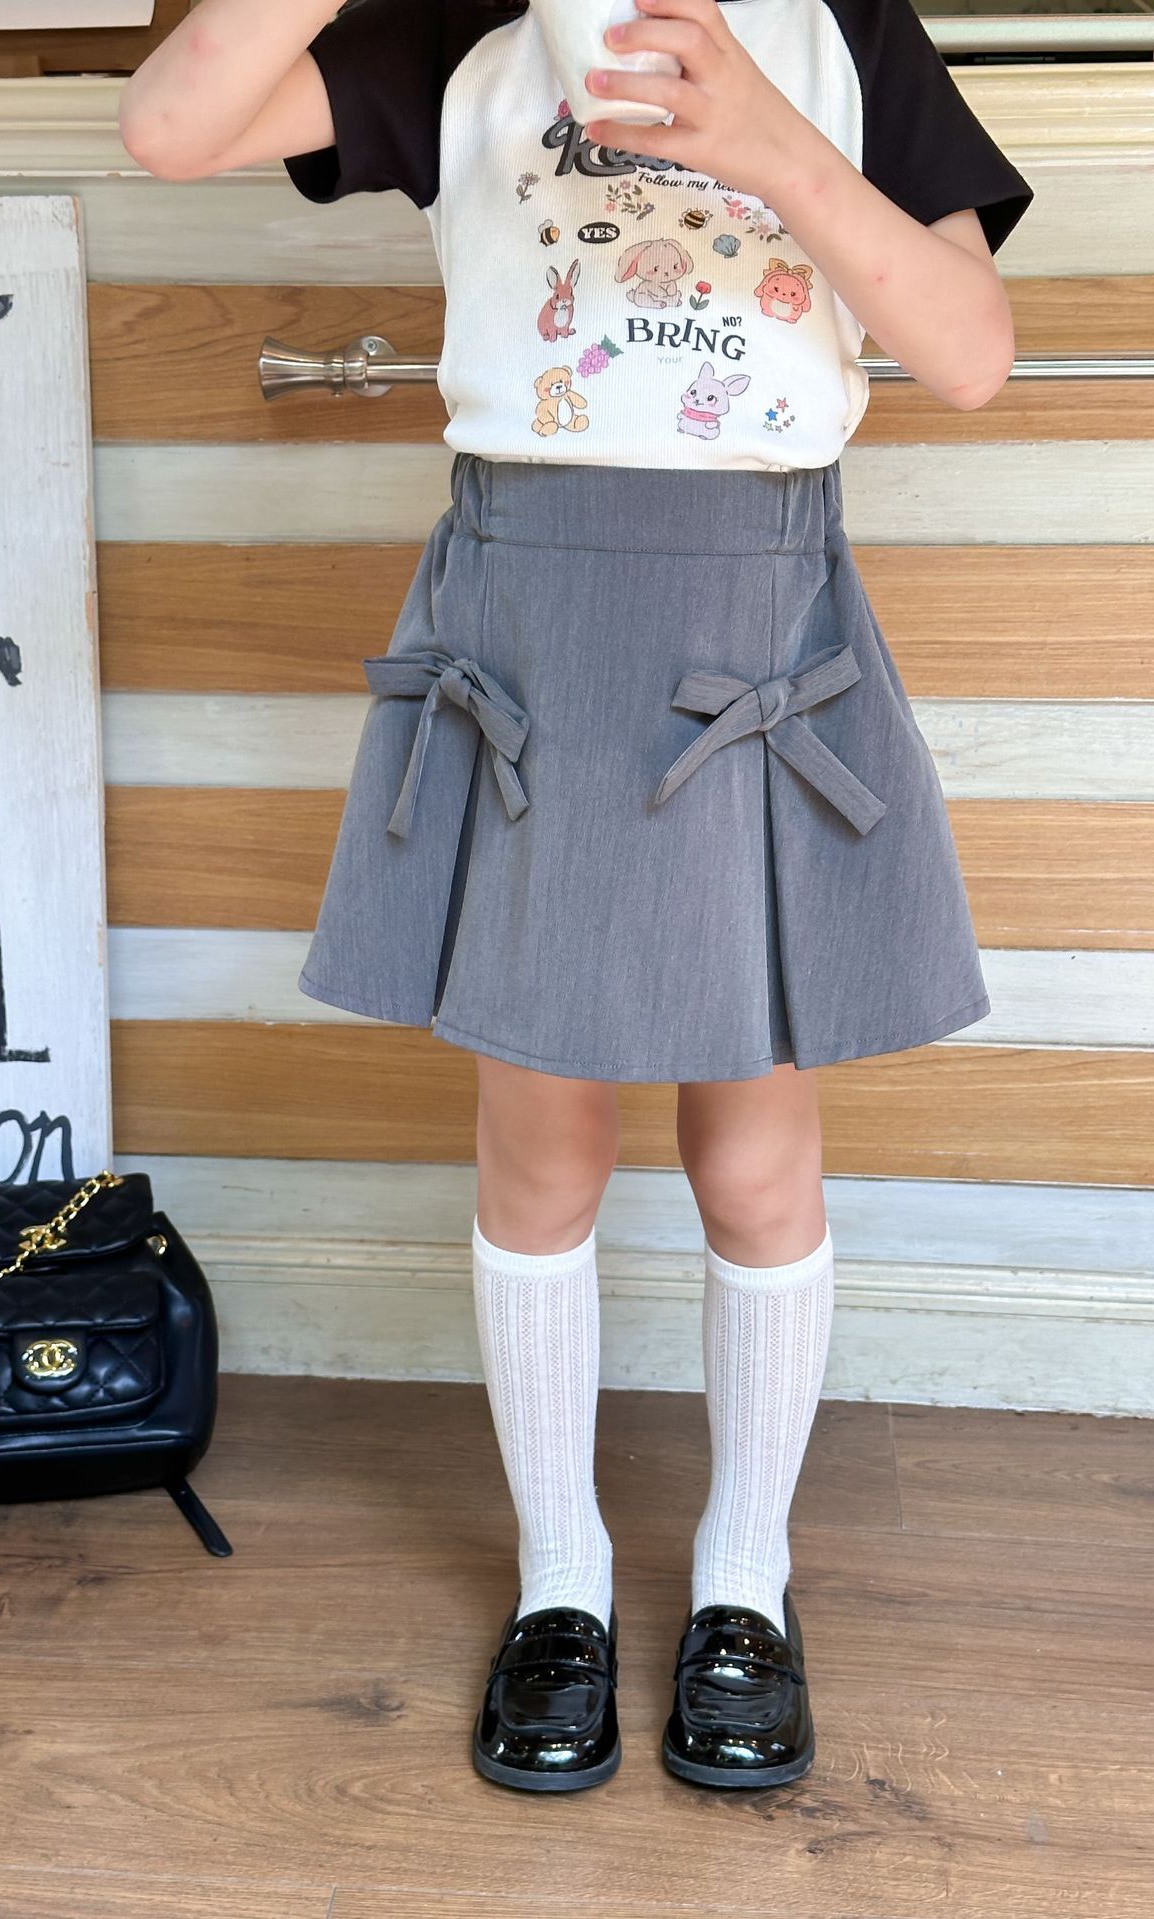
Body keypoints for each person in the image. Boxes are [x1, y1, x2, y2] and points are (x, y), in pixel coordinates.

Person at [119, 0, 1032, 1794]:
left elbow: (973, 350)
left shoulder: (840, 29)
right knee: (540, 1151)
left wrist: (767, 140)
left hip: (754, 629)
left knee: (753, 1162)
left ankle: (746, 1577)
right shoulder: (474, 29)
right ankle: (563, 1581)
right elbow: (169, 125)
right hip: (532, 631)